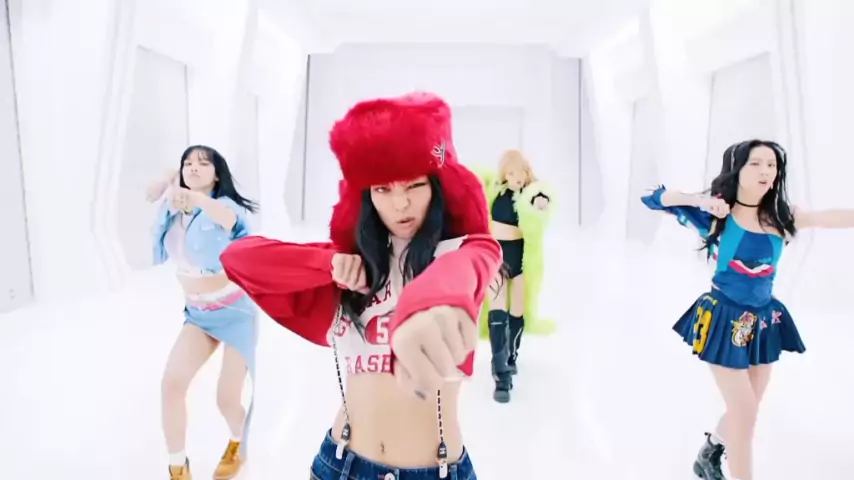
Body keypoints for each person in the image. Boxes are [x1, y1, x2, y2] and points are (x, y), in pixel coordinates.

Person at [220, 92, 502, 480]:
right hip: (340, 464)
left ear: (437, 186)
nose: (400, 204)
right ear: (366, 196)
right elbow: (238, 258)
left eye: (414, 185)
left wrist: (431, 305)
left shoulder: (466, 251)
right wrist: (327, 263)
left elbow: (466, 271)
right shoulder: (356, 267)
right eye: (383, 189)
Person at [639, 138, 854, 480]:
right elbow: (654, 198)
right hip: (723, 318)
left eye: (772, 165)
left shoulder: (782, 217)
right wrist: (701, 201)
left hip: (763, 319)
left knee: (749, 409)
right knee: (744, 415)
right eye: (756, 163)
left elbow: (830, 218)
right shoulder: (717, 217)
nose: (765, 171)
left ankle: (710, 451)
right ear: (738, 169)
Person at [147, 145, 259, 480]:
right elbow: (153, 211)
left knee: (226, 399)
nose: (193, 167)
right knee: (172, 384)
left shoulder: (223, 207)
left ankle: (239, 442)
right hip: (199, 315)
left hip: (237, 313)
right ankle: (178, 469)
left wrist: (195, 198)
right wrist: (168, 181)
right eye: (187, 163)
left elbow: (231, 221)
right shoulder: (174, 207)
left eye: (203, 163)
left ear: (217, 174)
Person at [472, 150, 554, 403]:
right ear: (504, 174)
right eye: (510, 173)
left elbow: (542, 199)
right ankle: (501, 374)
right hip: (496, 256)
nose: (516, 178)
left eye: (520, 173)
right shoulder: (495, 191)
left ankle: (510, 356)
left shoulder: (530, 192)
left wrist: (540, 202)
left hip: (519, 259)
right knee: (497, 309)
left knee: (517, 311)